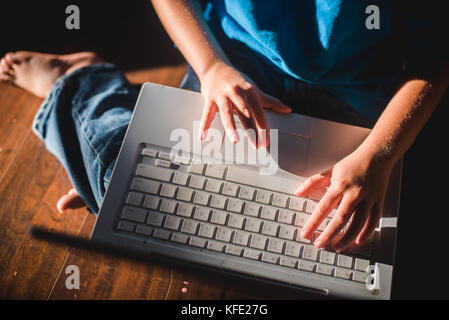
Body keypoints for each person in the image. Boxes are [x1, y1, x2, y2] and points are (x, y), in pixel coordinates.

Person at [0, 0, 448, 254]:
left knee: (345, 247)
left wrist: (378, 155)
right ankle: (83, 82)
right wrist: (210, 65)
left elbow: (436, 55)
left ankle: (93, 112)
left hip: (354, 99)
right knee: (137, 202)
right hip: (234, 67)